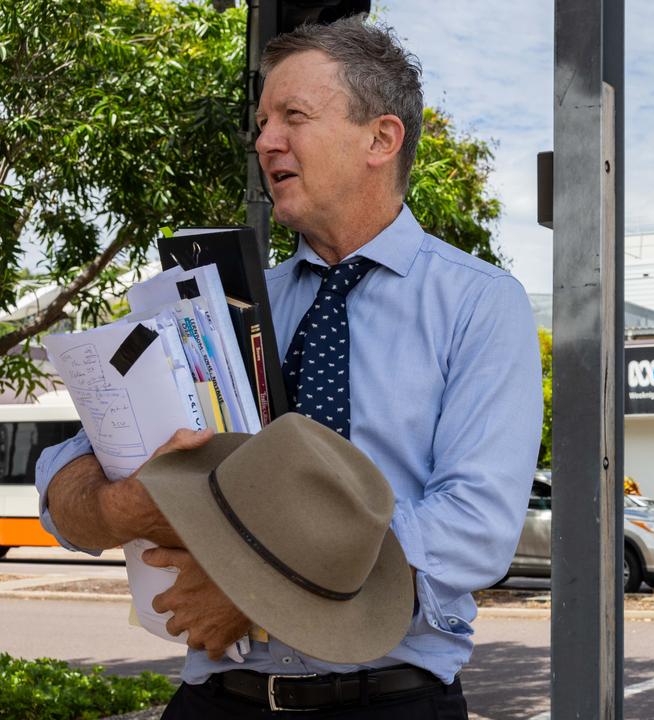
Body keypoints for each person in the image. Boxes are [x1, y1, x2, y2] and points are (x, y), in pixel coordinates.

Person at [36, 16, 541, 719]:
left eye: (293, 116)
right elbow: (71, 474)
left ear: (381, 139)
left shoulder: (480, 304)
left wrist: (253, 591)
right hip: (216, 700)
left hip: (389, 702)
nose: (266, 139)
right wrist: (115, 502)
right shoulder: (230, 302)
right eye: (263, 120)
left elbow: (474, 526)